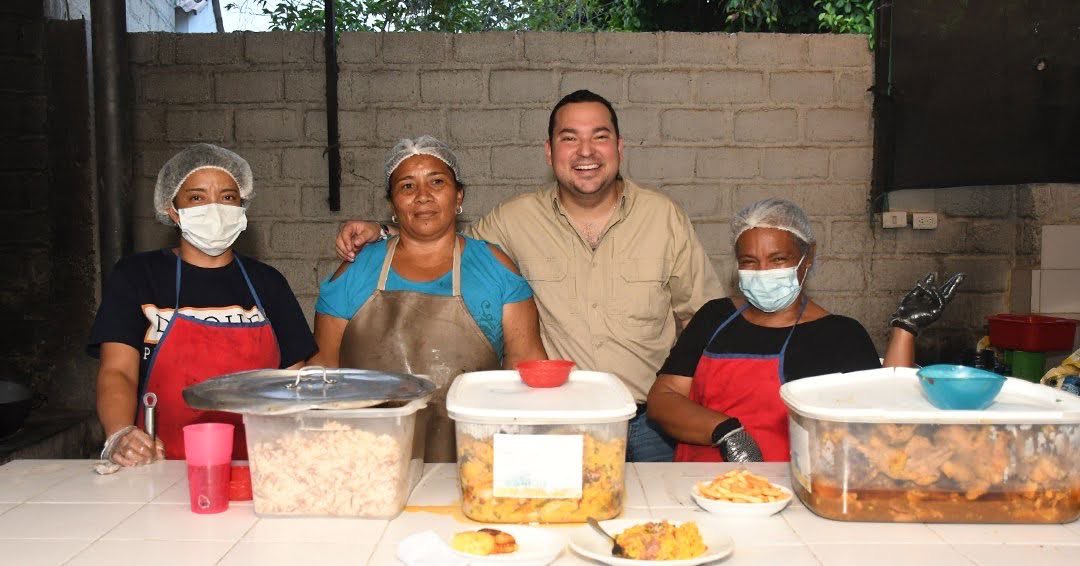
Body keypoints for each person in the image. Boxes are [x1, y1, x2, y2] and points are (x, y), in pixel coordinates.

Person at [333, 91, 724, 462]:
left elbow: (704, 320)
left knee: (660, 510)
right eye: (569, 138)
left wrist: (694, 405)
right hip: (557, 423)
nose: (585, 151)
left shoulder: (664, 217)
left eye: (599, 137)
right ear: (549, 152)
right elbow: (443, 241)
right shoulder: (513, 220)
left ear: (619, 147)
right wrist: (384, 233)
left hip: (651, 425)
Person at [647, 198, 964, 462]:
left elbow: (884, 416)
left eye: (778, 259)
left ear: (807, 257)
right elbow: (663, 399)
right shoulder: (715, 318)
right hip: (694, 486)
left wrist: (904, 329)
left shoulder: (839, 335)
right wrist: (726, 432)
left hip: (791, 491)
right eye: (750, 261)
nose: (763, 272)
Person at [312, 136, 546, 462]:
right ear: (392, 204)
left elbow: (526, 369)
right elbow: (323, 371)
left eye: (437, 182)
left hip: (470, 459)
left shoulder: (495, 268)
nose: (423, 195)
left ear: (458, 196)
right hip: (365, 461)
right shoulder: (356, 270)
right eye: (407, 186)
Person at [89, 143, 316, 466]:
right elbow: (118, 371)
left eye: (228, 197)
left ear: (242, 206)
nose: (215, 209)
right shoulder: (138, 276)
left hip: (257, 462)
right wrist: (120, 432)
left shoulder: (267, 283)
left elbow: (293, 381)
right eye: (197, 198)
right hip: (158, 463)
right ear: (172, 210)